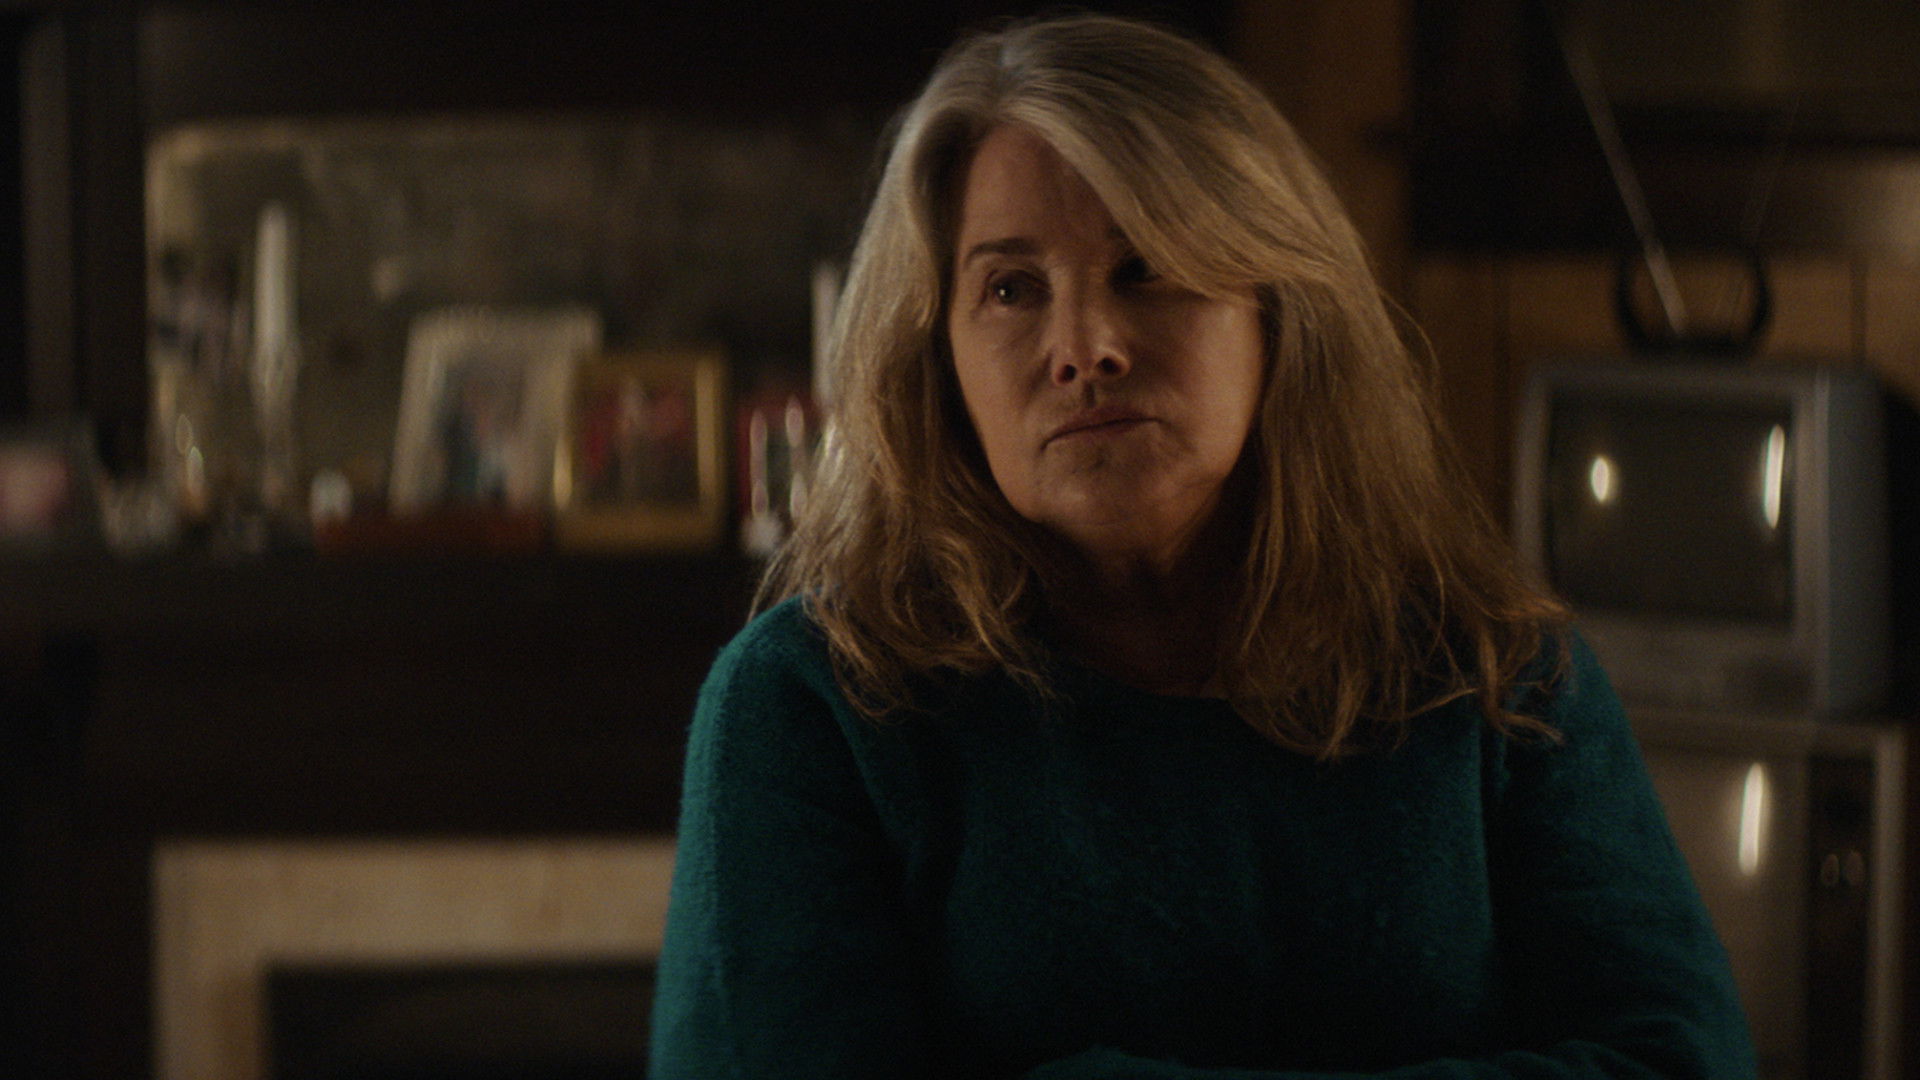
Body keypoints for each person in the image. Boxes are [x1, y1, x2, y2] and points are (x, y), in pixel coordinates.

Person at [649, 13, 1755, 1079]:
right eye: (1011, 288)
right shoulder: (815, 707)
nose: (1084, 348)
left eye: (1145, 268)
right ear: (935, 360)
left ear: (1278, 311)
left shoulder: (1495, 678)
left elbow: (1682, 1060)